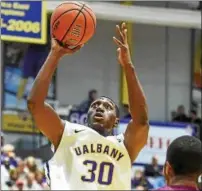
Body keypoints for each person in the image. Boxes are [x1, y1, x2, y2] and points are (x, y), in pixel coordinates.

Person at [27, 23, 149, 190]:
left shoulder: (124, 145)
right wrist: (55, 54)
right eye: (95, 105)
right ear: (86, 117)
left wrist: (128, 66)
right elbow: (35, 104)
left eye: (107, 107)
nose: (99, 108)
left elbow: (141, 121)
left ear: (116, 121)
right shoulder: (68, 134)